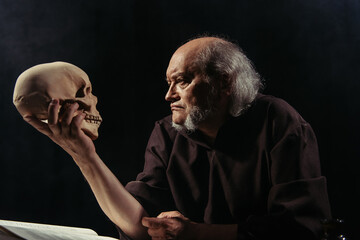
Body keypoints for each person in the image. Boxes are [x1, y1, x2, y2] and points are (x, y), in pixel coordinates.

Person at [24, 36, 331, 240]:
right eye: (169, 83)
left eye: (182, 81)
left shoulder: (277, 121)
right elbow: (138, 225)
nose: (169, 95)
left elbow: (301, 228)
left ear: (224, 83)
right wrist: (83, 155)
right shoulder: (167, 133)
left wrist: (195, 233)